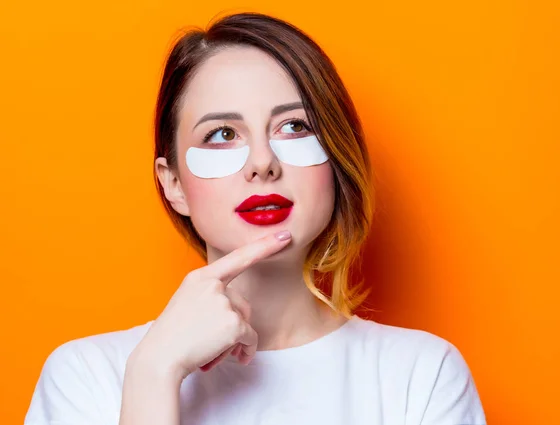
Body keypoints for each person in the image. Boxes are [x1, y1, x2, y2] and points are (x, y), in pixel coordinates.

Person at [24, 12, 487, 425]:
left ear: (337, 158)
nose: (262, 162)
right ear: (174, 184)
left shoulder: (422, 375)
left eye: (295, 126)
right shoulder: (86, 377)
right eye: (223, 133)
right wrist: (153, 374)